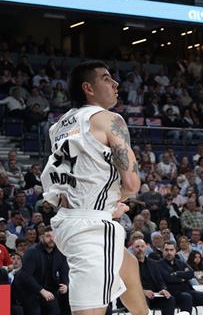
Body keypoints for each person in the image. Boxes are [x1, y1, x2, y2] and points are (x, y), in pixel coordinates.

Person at [40, 60, 148, 315]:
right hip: (91, 227)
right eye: (107, 78)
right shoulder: (111, 119)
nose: (116, 83)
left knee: (127, 266)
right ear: (88, 88)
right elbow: (132, 184)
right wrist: (112, 202)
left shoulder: (59, 125)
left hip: (65, 220)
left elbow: (79, 175)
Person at [13, 227, 69, 315]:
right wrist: (41, 290)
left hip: (49, 290)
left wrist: (65, 284)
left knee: (56, 311)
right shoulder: (32, 252)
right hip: (30, 290)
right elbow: (26, 276)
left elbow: (64, 270)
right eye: (48, 236)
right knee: (35, 312)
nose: (52, 239)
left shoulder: (60, 252)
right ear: (41, 237)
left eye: (54, 236)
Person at [159, 242, 203, 315]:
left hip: (187, 290)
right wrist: (183, 278)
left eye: (171, 250)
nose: (169, 252)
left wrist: (177, 274)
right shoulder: (158, 264)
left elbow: (191, 273)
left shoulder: (180, 262)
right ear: (162, 250)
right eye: (166, 250)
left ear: (175, 251)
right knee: (186, 297)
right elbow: (168, 278)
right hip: (172, 293)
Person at [131, 239, 180, 315]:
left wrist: (163, 289)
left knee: (169, 299)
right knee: (144, 299)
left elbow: (160, 281)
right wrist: (143, 292)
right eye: (137, 247)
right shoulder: (129, 264)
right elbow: (129, 286)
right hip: (136, 297)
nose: (140, 249)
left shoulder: (153, 263)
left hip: (154, 296)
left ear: (146, 248)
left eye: (142, 246)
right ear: (132, 248)